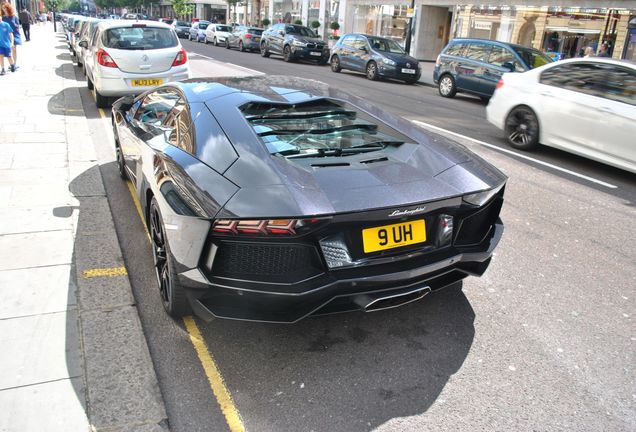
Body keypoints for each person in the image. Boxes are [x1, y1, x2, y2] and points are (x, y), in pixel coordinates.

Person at [1, 2, 20, 69]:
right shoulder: (3, 18)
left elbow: (18, 25)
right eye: (3, 9)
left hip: (14, 34)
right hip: (6, 35)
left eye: (5, 8)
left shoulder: (14, 16)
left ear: (8, 8)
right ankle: (11, 63)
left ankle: (14, 63)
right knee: (8, 49)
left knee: (14, 48)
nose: (4, 10)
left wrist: (16, 26)